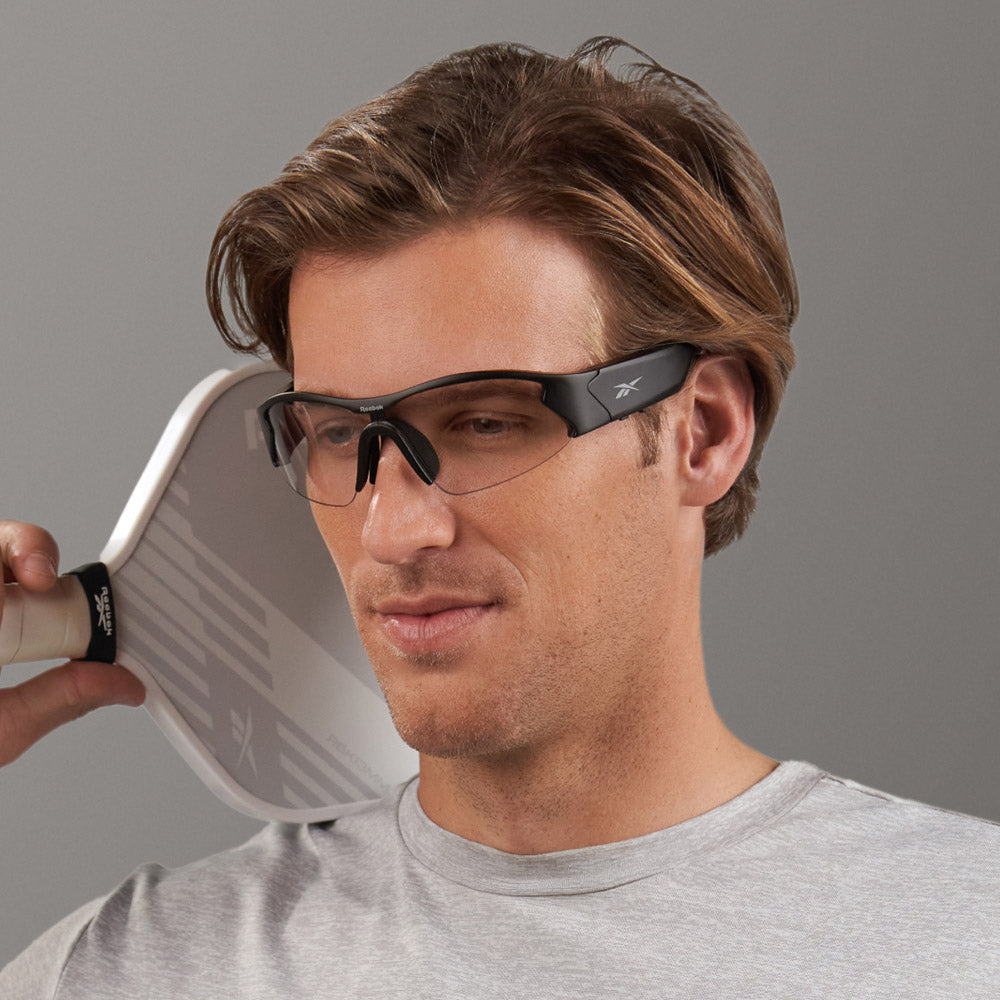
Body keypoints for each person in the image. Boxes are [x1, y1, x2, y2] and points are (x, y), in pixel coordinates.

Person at [2, 37, 997, 997]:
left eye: (485, 421)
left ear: (703, 431)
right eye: (340, 434)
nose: (393, 532)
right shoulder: (127, 972)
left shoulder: (967, 942)